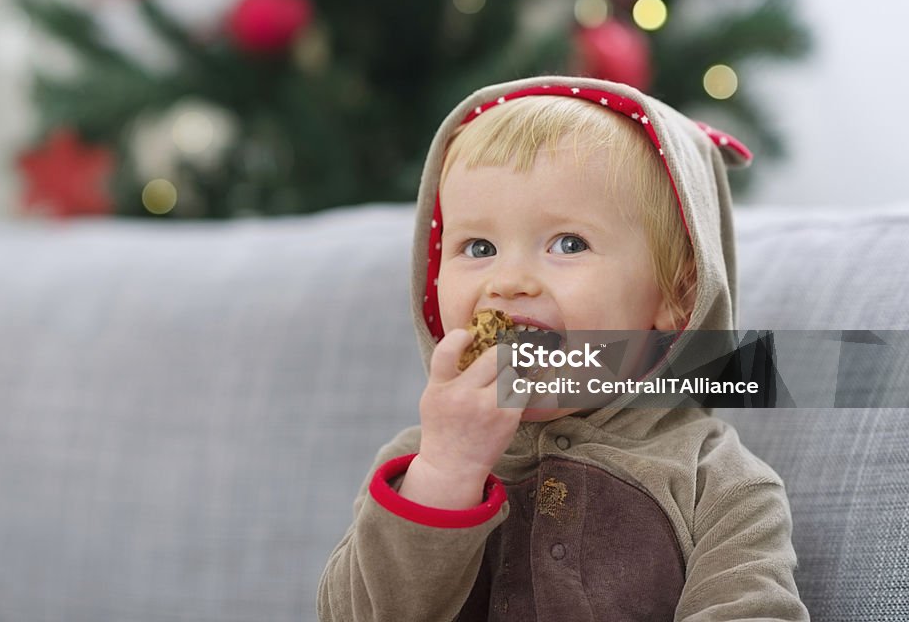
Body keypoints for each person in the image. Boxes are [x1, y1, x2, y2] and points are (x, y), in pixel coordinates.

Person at [317, 76, 809, 621]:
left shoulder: (714, 481)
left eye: (568, 244)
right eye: (478, 247)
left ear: (677, 295)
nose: (509, 281)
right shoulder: (413, 468)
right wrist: (446, 472)